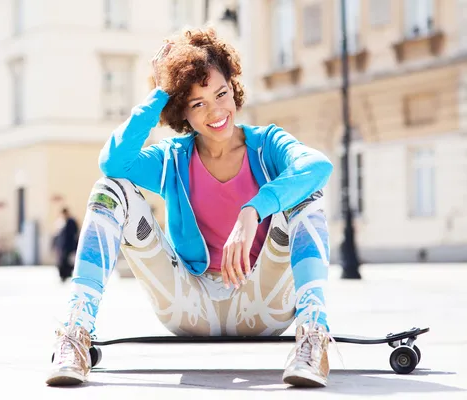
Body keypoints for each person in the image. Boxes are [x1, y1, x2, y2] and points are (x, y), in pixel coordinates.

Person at [46, 27, 335, 388]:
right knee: (110, 189)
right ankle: (75, 334)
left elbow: (318, 166)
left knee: (305, 192)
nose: (216, 111)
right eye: (198, 103)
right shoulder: (173, 159)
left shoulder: (267, 146)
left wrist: (253, 210)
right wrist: (161, 90)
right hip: (189, 305)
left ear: (233, 89)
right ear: (182, 110)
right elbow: (114, 162)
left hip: (264, 304)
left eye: (221, 94)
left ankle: (314, 337)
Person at [55, 208, 79, 282]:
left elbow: (74, 234)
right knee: (62, 262)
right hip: (62, 246)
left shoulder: (71, 222)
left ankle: (66, 275)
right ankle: (63, 276)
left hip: (69, 246)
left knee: (68, 262)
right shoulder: (61, 222)